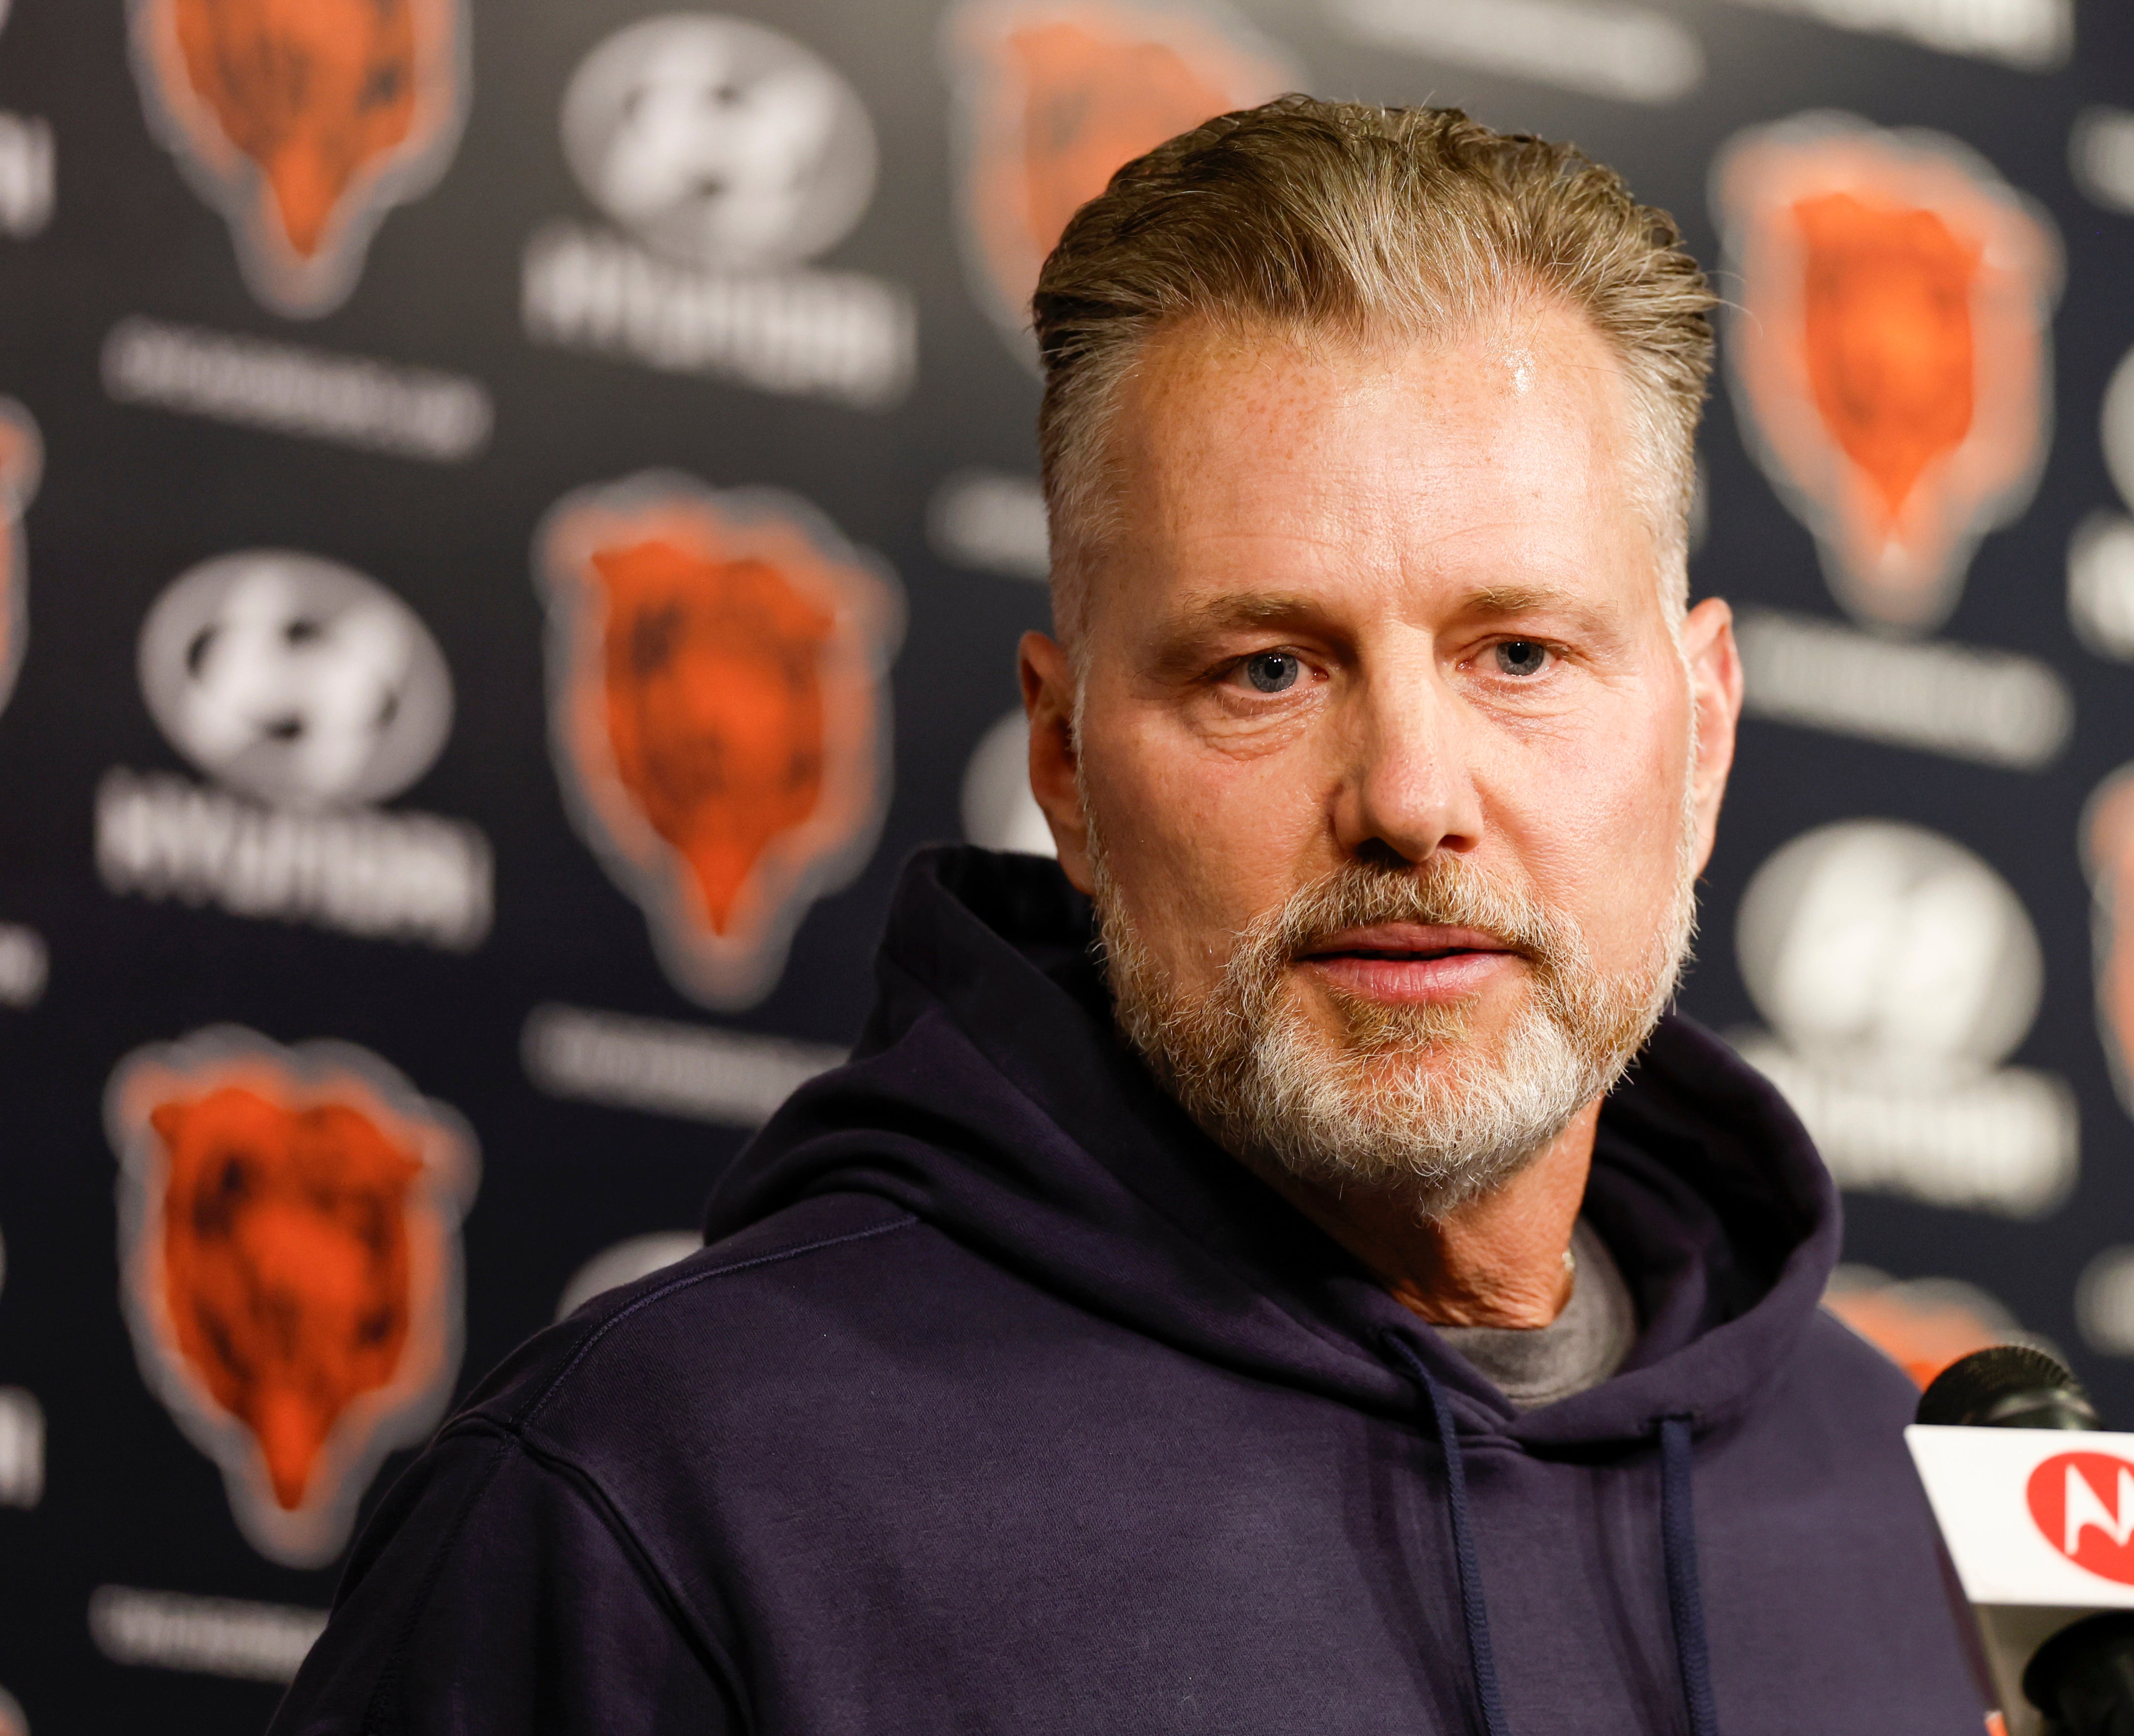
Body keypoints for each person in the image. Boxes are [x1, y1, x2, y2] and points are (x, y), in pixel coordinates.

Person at [272, 97, 1989, 1735]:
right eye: (1265, 668)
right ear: (1068, 768)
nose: (1407, 795)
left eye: (1519, 654)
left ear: (1703, 736)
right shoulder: (656, 1495)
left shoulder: (1923, 1515)